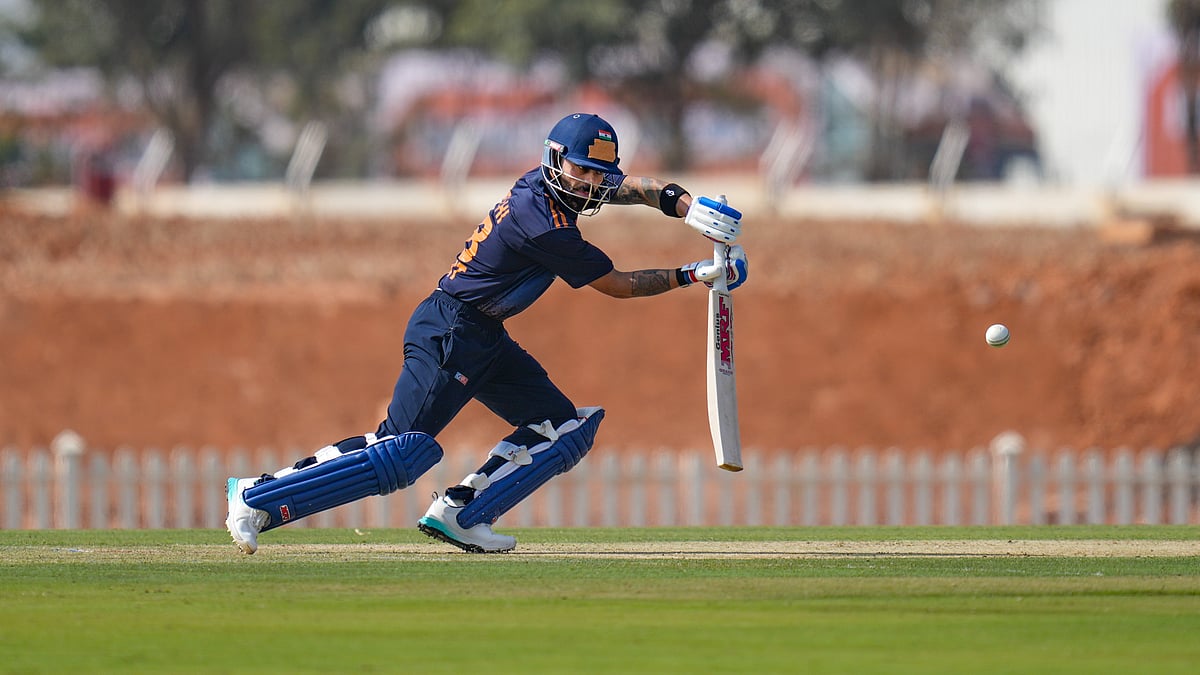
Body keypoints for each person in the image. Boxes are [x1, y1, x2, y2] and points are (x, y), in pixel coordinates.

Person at [224, 112, 747, 554]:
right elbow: (617, 285)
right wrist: (695, 273)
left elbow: (632, 187)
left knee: (561, 427)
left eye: (598, 174)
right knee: (401, 451)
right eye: (581, 170)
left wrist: (690, 208)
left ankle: (462, 514)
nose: (590, 184)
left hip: (485, 335)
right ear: (555, 160)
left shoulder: (550, 187)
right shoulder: (542, 222)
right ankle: (256, 496)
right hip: (449, 330)